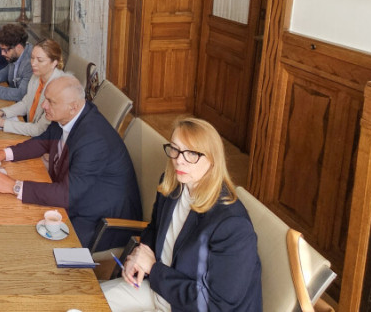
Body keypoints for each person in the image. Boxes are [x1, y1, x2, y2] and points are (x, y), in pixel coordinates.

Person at [101, 118, 262, 311]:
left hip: (189, 305)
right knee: (84, 302)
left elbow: (215, 304)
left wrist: (153, 268)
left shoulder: (232, 225)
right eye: (175, 149)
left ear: (212, 160)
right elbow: (155, 228)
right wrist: (140, 255)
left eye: (192, 153)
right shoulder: (173, 185)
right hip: (161, 290)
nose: (179, 160)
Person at [0, 75, 141, 250]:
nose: (44, 106)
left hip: (99, 220)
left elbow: (67, 195)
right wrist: (4, 153)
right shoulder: (69, 116)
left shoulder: (94, 140)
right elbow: (43, 141)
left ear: (73, 107)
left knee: (32, 246)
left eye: (51, 102)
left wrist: (14, 186)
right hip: (78, 196)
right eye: (45, 99)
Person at [0, 39, 65, 137]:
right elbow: (26, 103)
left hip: (44, 140)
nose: (33, 63)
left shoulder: (59, 87)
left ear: (54, 63)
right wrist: (2, 113)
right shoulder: (36, 76)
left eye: (40, 60)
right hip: (29, 131)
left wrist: (1, 122)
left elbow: (38, 130)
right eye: (32, 58)